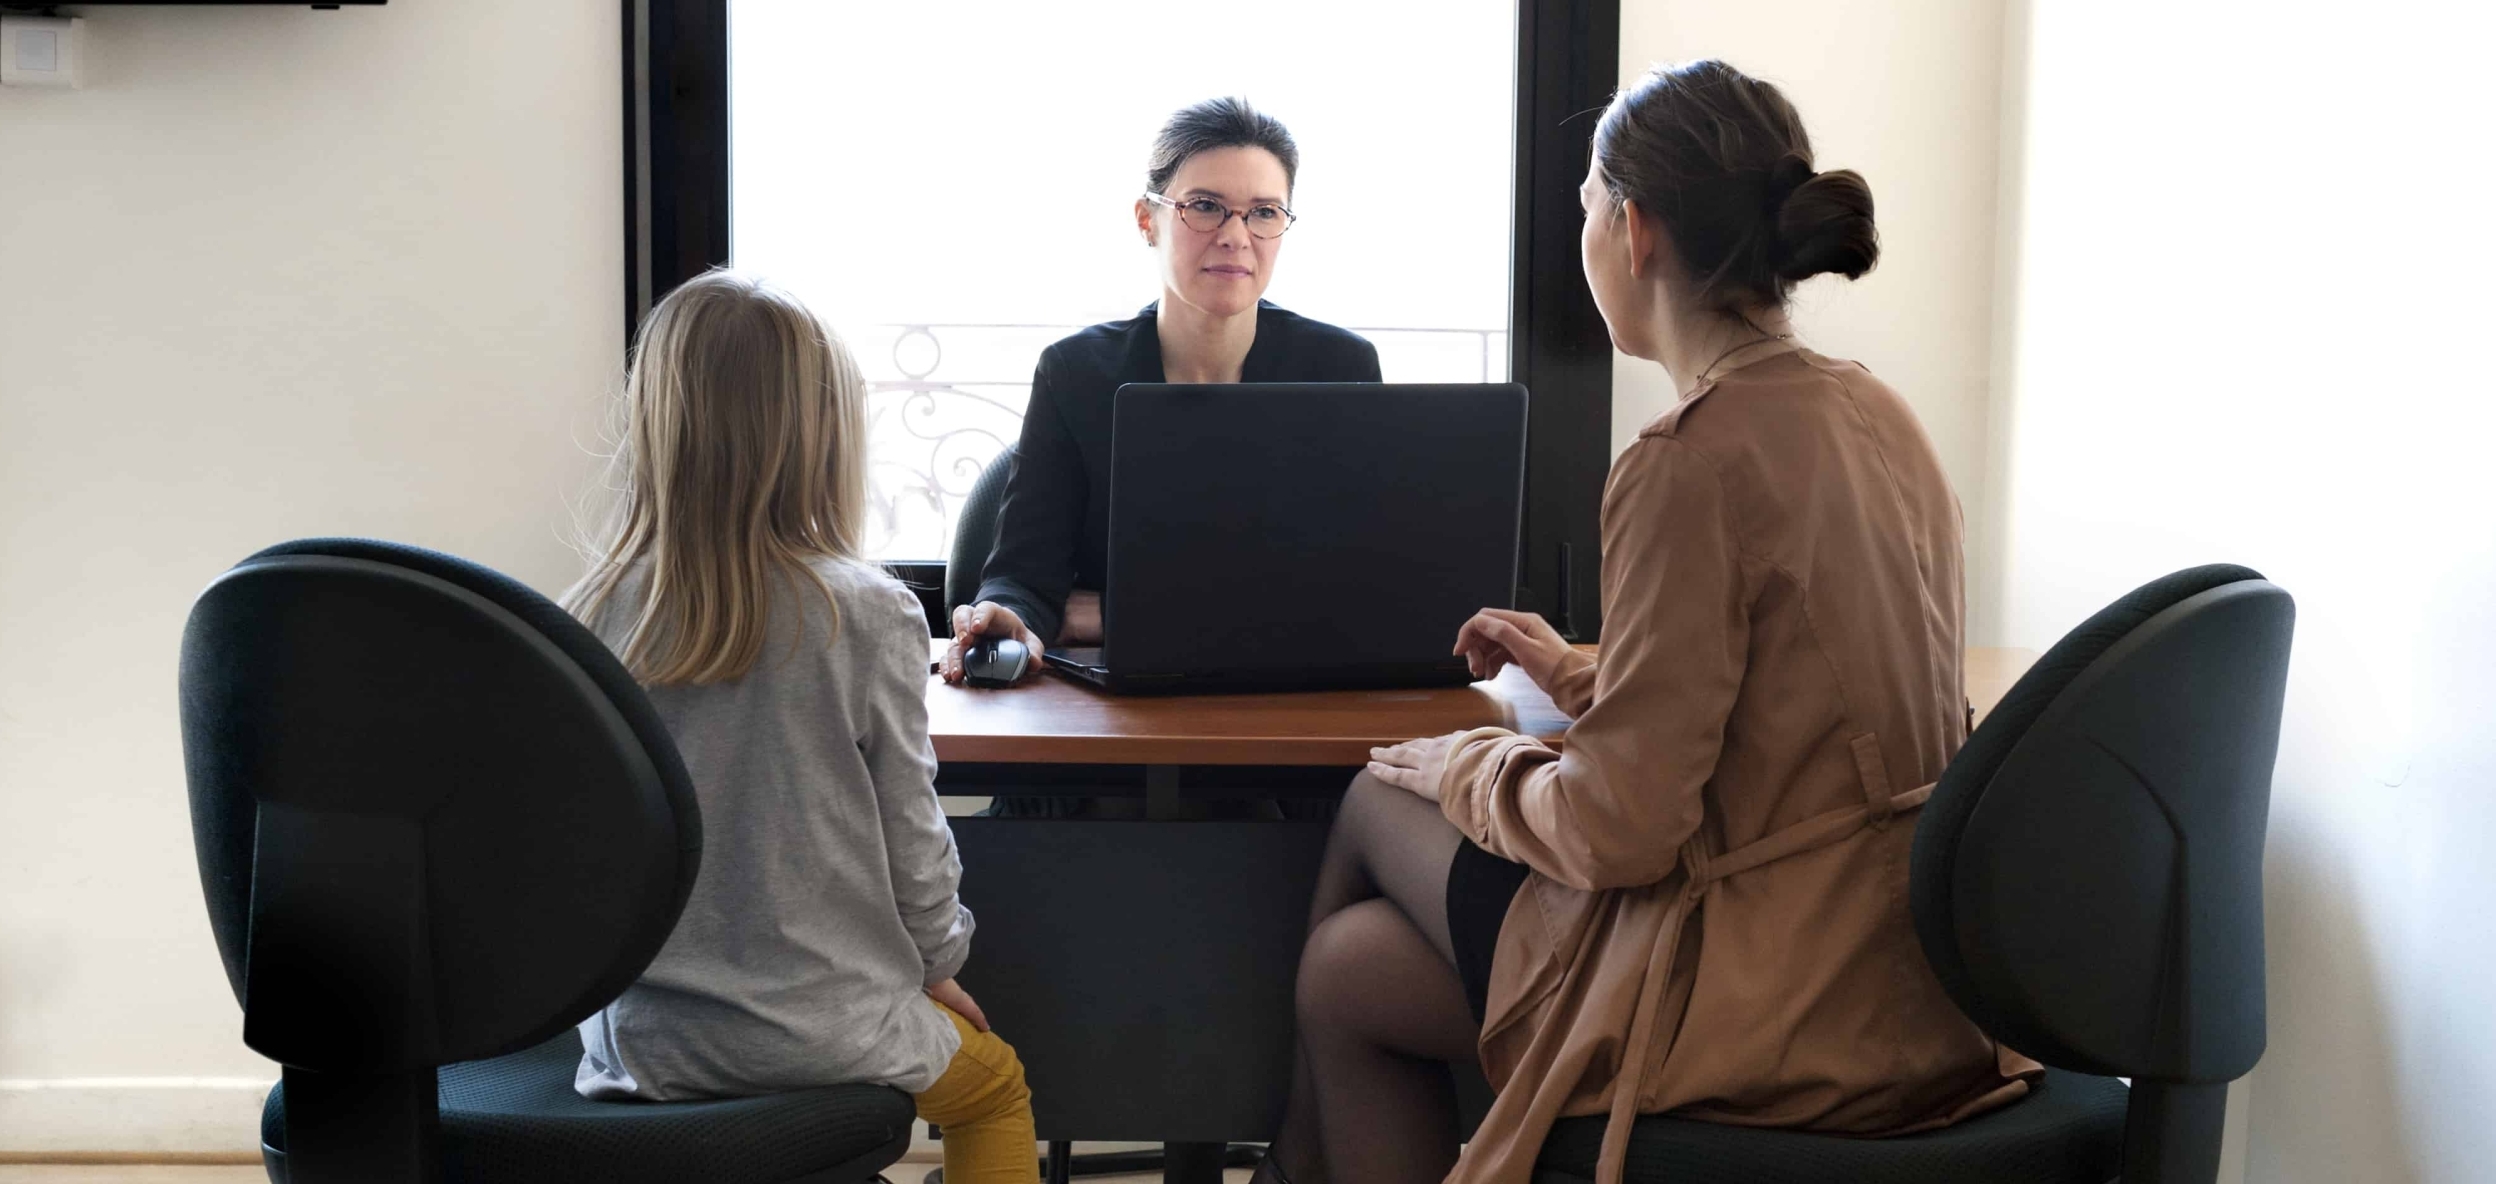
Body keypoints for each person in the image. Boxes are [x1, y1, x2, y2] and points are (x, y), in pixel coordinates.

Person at [1256, 60, 2040, 1184]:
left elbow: (1624, 829)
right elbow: (1793, 693)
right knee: (1348, 968)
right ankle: (1290, 1162)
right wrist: (1579, 674)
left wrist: (1466, 764)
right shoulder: (1878, 411)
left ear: (1632, 229)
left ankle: (1287, 1162)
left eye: (1581, 202)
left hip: (1771, 993)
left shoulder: (1687, 461)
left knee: (1379, 789)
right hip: (1911, 971)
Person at [562, 271, 1038, 1184]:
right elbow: (915, 844)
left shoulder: (584, 613)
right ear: (820, 437)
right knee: (995, 1089)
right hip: (826, 1028)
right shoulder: (864, 614)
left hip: (641, 1043)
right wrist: (939, 965)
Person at [940, 96, 1381, 684]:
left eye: (1264, 212)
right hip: (1114, 707)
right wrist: (1008, 614)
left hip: (1287, 692)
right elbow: (1025, 575)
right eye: (1205, 207)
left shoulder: (1338, 367)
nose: (1235, 235)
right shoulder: (1075, 373)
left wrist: (1115, 612)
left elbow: (1352, 591)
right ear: (1149, 220)